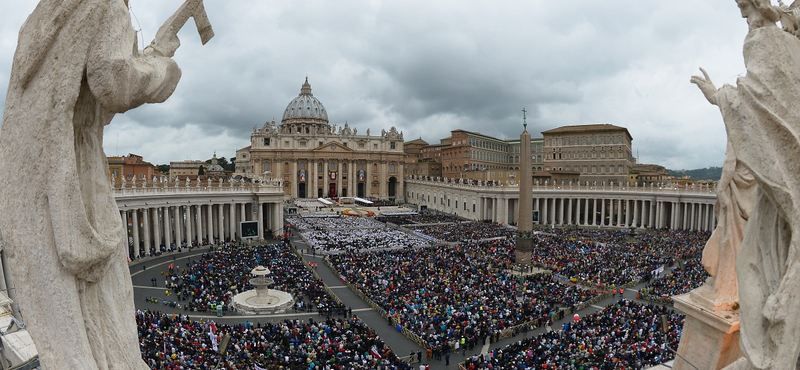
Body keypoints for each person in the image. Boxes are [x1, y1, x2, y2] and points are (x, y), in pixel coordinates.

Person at [0, 0, 195, 369]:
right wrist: (161, 62)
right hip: (77, 164)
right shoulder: (105, 5)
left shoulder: (43, 18)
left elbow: (84, 87)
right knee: (104, 306)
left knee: (68, 305)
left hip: (39, 166)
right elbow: (111, 81)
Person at [691, 0, 800, 368]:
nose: (742, 15)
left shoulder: (767, 44)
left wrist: (718, 96)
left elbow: (757, 111)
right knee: (755, 265)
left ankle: (765, 359)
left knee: (752, 265)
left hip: (782, 197)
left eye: (743, 6)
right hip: (779, 192)